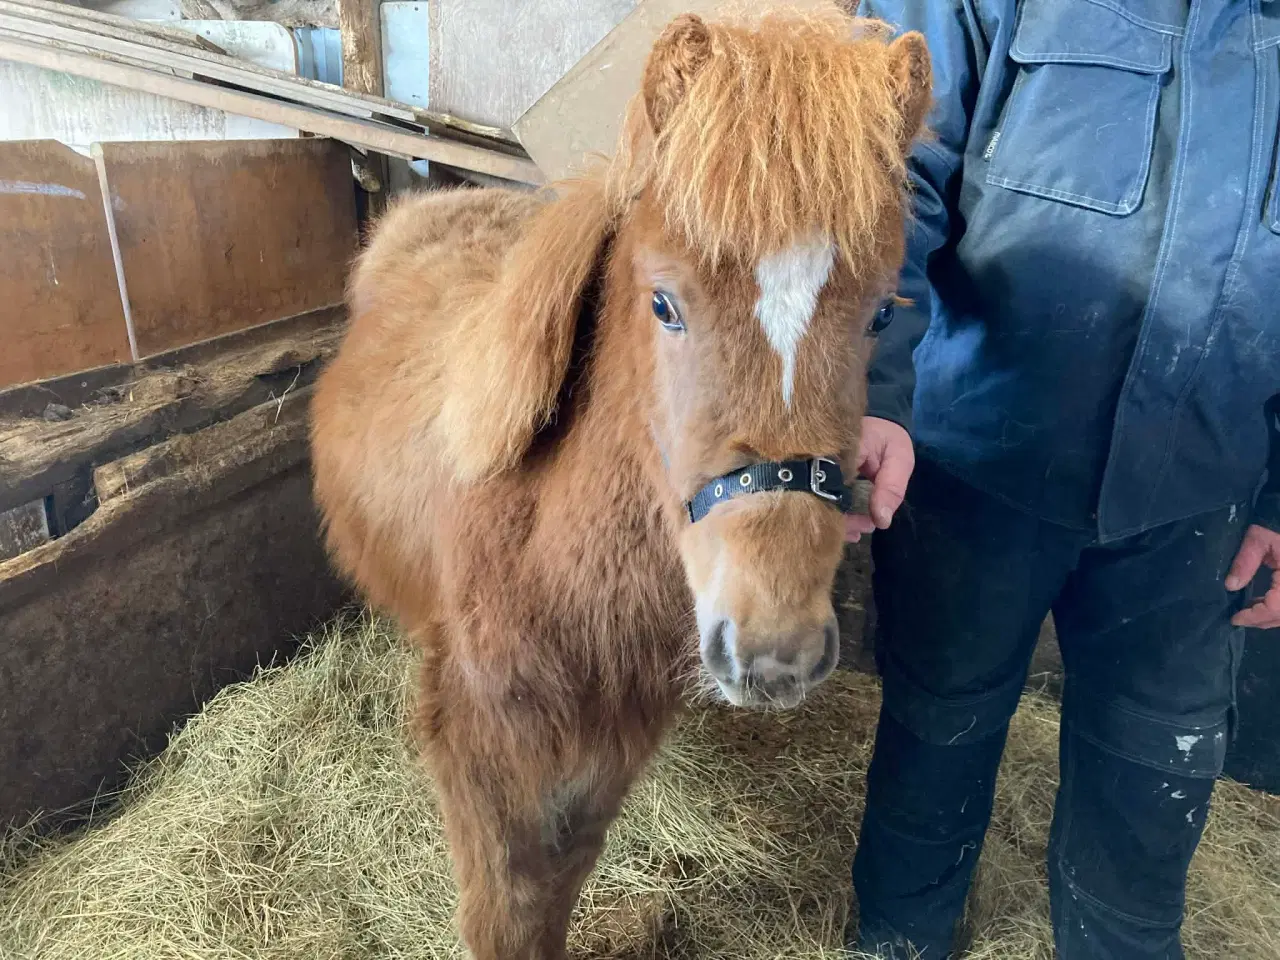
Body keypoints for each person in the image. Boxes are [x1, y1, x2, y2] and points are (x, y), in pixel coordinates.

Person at [842, 0, 1280, 957]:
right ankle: (899, 939)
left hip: (1202, 501)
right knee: (936, 733)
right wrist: (874, 393)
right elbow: (890, 171)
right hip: (978, 465)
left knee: (1152, 775)